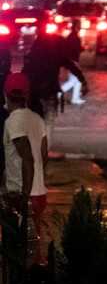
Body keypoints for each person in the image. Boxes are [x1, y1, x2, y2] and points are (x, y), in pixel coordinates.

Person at [2, 73, 48, 263]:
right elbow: (43, 157)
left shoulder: (13, 121)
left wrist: (24, 197)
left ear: (5, 94)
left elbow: (27, 159)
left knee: (16, 253)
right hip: (39, 193)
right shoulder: (37, 119)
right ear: (27, 95)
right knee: (32, 248)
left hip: (21, 195)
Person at [59, 23, 85, 105]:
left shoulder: (71, 36)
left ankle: (75, 98)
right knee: (76, 80)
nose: (80, 29)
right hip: (73, 61)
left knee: (76, 81)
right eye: (79, 27)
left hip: (70, 60)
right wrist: (83, 48)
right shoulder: (74, 37)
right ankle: (58, 93)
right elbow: (76, 49)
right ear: (76, 28)